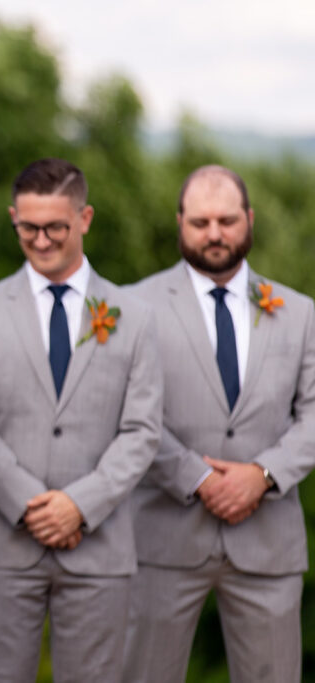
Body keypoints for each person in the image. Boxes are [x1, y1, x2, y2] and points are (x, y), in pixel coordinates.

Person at [0, 158, 161, 682]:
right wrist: (31, 506)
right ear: (13, 218)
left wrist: (78, 505)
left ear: (85, 218)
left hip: (100, 545)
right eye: (28, 227)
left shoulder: (135, 316)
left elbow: (141, 431)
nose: (41, 240)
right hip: (1, 540)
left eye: (55, 227)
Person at [122, 165, 315, 683]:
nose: (214, 234)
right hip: (159, 540)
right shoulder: (131, 308)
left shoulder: (301, 313)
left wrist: (264, 474)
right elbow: (123, 412)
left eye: (227, 220)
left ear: (248, 220)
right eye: (201, 221)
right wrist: (197, 477)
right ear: (180, 222)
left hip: (268, 541)